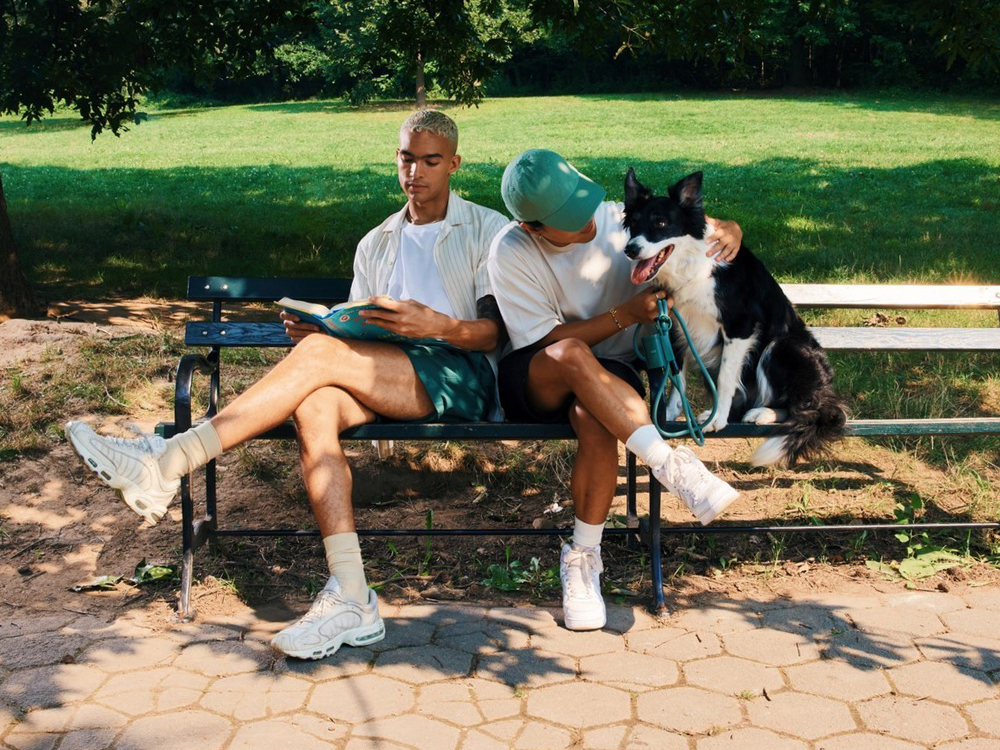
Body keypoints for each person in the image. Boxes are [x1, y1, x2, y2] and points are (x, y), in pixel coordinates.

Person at [66, 110, 509, 660]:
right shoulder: (377, 242)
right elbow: (359, 321)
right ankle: (351, 595)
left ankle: (169, 460)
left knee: (323, 359)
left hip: (455, 373)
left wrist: (437, 325)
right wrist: (322, 327)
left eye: (430, 160)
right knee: (316, 407)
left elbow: (494, 332)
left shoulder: (487, 230)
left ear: (454, 165)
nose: (415, 171)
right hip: (383, 373)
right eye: (406, 157)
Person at [488, 149, 742, 631]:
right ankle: (671, 463)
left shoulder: (611, 216)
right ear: (533, 228)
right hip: (537, 371)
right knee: (569, 356)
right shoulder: (511, 251)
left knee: (594, 419)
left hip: (609, 375)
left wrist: (730, 229)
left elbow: (702, 224)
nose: (587, 222)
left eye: (584, 204)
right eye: (568, 219)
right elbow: (546, 340)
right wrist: (625, 315)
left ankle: (583, 561)